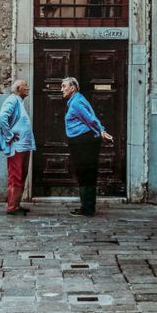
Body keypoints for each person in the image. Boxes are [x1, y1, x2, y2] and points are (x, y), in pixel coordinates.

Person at [61, 75, 112, 216]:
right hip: (83, 141)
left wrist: (101, 130)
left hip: (83, 143)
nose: (61, 89)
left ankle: (87, 209)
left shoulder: (76, 103)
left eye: (64, 86)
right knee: (86, 175)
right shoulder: (77, 99)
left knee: (85, 175)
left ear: (73, 87)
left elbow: (91, 119)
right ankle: (87, 207)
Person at [0, 74, 35, 215]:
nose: (28, 88)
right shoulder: (12, 100)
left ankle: (16, 204)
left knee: (22, 175)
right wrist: (10, 135)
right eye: (25, 86)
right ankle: (12, 207)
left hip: (24, 146)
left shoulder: (19, 102)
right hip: (17, 146)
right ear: (18, 89)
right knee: (15, 175)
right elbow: (1, 117)